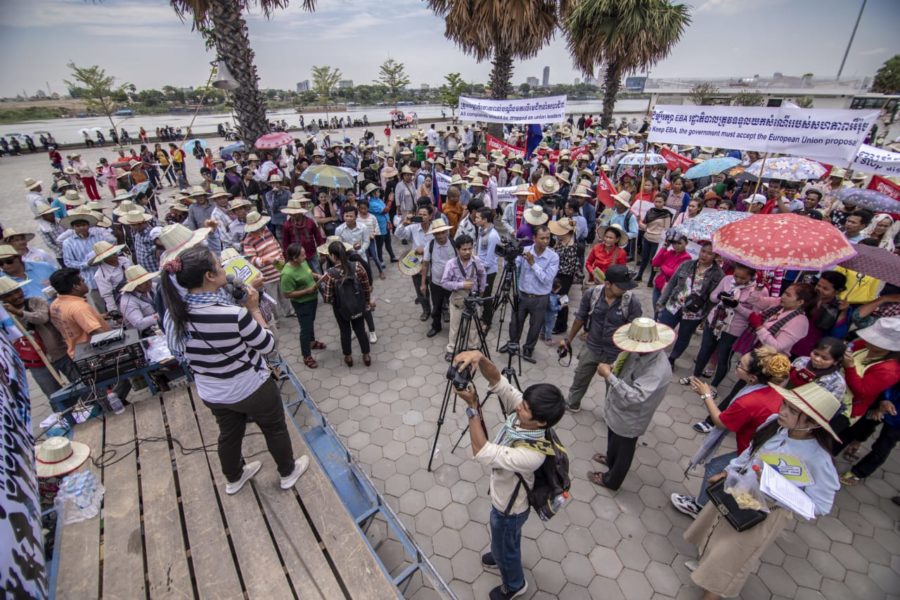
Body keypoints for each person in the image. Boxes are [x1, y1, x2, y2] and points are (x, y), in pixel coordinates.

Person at [160, 245, 309, 494]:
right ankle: (287, 472)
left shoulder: (172, 315)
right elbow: (268, 346)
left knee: (229, 434)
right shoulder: (233, 315)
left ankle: (234, 478)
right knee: (274, 428)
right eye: (219, 265)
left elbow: (179, 353)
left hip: (212, 391)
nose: (224, 269)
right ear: (209, 275)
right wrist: (253, 308)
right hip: (251, 387)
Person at [684, 383, 841, 600]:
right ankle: (704, 568)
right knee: (715, 534)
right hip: (737, 490)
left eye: (793, 411)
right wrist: (727, 473)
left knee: (731, 558)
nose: (783, 411)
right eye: (785, 404)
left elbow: (820, 506)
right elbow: (751, 451)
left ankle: (712, 592)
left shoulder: (819, 460)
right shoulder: (774, 424)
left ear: (813, 423)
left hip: (765, 512)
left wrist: (777, 487)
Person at [450, 349, 566, 600]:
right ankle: (499, 550)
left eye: (524, 407)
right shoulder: (527, 417)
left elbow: (481, 450)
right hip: (505, 498)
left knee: (507, 546)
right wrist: (479, 357)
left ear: (541, 422)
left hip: (509, 509)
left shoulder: (532, 454)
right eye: (522, 402)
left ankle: (514, 584)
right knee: (504, 538)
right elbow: (498, 381)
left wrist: (472, 407)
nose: (518, 405)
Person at [670, 346, 791, 517]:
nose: (736, 366)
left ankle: (701, 507)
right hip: (765, 449)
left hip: (752, 453)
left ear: (753, 377)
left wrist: (706, 396)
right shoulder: (773, 389)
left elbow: (720, 422)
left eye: (740, 366)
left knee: (715, 469)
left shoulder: (750, 401)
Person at [588, 318, 674, 490]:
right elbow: (625, 362)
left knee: (624, 449)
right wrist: (614, 368)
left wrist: (609, 376)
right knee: (614, 437)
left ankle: (612, 480)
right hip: (619, 408)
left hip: (632, 415)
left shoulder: (656, 369)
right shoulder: (639, 352)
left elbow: (636, 396)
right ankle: (610, 458)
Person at [561, 265, 642, 412]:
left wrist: (625, 356)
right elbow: (580, 318)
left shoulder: (632, 302)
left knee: (613, 386)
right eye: (621, 286)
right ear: (608, 284)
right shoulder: (592, 294)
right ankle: (572, 403)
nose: (625, 289)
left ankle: (611, 413)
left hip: (615, 353)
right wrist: (568, 340)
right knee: (580, 377)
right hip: (592, 346)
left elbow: (633, 332)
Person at [681, 265, 766, 388]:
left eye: (742, 278)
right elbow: (713, 297)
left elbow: (755, 316)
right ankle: (695, 376)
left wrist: (737, 306)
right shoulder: (727, 279)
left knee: (723, 357)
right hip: (714, 321)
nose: (737, 280)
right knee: (704, 350)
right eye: (736, 275)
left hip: (733, 329)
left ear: (751, 276)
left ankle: (714, 386)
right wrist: (720, 296)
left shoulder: (758, 290)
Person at [0, 275, 78, 400]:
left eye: (17, 291)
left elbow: (42, 318)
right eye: (8, 295)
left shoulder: (35, 301)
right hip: (35, 361)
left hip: (60, 352)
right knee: (55, 396)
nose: (15, 296)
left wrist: (19, 312)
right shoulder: (3, 315)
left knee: (80, 384)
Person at [658, 241, 725, 364]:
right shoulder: (687, 265)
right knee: (662, 330)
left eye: (709, 254)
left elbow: (713, 300)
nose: (704, 255)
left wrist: (705, 317)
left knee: (684, 336)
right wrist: (662, 301)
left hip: (694, 312)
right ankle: (655, 354)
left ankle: (672, 359)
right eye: (703, 251)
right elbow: (672, 283)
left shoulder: (718, 274)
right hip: (674, 304)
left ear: (715, 257)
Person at [832, 317, 900, 437]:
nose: (867, 339)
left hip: (843, 410)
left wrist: (850, 367)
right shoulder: (865, 346)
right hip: (830, 393)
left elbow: (863, 391)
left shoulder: (889, 370)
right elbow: (849, 348)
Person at [502, 225, 559, 360]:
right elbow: (513, 267)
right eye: (542, 238)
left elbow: (546, 279)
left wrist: (533, 264)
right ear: (534, 238)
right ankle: (513, 343)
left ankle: (528, 348)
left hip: (540, 297)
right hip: (522, 294)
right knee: (515, 322)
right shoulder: (525, 251)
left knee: (535, 325)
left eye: (548, 238)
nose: (546, 241)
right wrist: (509, 257)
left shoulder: (553, 257)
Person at [319, 241, 372, 367]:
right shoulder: (357, 266)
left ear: (332, 256)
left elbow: (327, 298)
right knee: (360, 330)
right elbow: (366, 287)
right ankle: (366, 355)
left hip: (341, 309)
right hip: (358, 305)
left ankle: (348, 357)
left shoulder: (331, 274)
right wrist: (367, 302)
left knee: (345, 332)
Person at [439, 234, 486, 362]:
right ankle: (451, 349)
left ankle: (473, 348)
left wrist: (481, 290)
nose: (467, 252)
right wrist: (461, 285)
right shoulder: (451, 264)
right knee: (454, 327)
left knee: (473, 327)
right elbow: (444, 283)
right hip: (457, 301)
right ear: (457, 250)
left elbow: (482, 275)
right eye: (464, 249)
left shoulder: (476, 261)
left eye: (470, 249)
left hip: (473, 299)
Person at [281, 243, 325, 369]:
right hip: (302, 304)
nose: (305, 257)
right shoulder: (287, 274)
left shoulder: (302, 263)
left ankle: (312, 342)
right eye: (302, 255)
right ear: (294, 258)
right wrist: (306, 291)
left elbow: (308, 272)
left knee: (310, 322)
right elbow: (287, 294)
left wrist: (317, 276)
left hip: (312, 299)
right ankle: (306, 356)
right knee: (305, 329)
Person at [242, 211, 291, 318]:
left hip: (279, 269)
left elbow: (276, 245)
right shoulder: (248, 241)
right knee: (272, 299)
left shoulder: (267, 231)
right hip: (266, 276)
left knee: (284, 294)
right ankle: (275, 318)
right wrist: (266, 260)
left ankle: (289, 312)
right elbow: (252, 260)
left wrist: (281, 256)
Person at [421, 222, 457, 338]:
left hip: (452, 283)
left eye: (443, 233)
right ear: (434, 234)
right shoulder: (430, 245)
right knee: (436, 306)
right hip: (436, 283)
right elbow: (425, 265)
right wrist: (423, 284)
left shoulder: (454, 244)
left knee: (455, 306)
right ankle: (436, 326)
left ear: (446, 232)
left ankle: (455, 328)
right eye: (437, 233)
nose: (441, 236)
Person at [547, 217, 579, 334]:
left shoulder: (571, 246)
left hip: (564, 277)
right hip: (558, 274)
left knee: (562, 300)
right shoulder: (561, 241)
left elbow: (568, 268)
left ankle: (561, 325)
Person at [636, 192, 674, 284]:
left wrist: (664, 242)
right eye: (656, 201)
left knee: (654, 261)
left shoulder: (667, 215)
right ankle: (639, 275)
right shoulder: (650, 211)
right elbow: (645, 226)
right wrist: (638, 221)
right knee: (644, 258)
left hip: (657, 240)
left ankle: (651, 280)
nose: (657, 204)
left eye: (660, 202)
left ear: (664, 202)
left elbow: (667, 230)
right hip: (647, 237)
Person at [650, 233, 691, 312]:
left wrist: (661, 267)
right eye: (674, 243)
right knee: (656, 309)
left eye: (679, 243)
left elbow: (673, 273)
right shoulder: (670, 252)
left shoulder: (686, 258)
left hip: (670, 290)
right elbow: (654, 263)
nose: (676, 246)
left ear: (686, 243)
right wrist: (664, 247)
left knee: (662, 312)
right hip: (658, 285)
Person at [118, 266, 160, 334]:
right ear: (135, 285)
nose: (148, 283)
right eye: (144, 282)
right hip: (144, 334)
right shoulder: (127, 301)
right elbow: (140, 324)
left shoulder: (153, 287)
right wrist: (160, 315)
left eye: (149, 280)